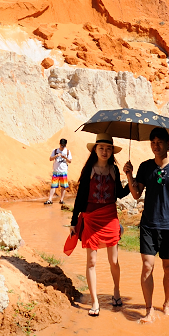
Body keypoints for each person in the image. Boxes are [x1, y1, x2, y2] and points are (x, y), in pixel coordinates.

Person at [123, 126, 169, 324]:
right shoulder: (145, 167)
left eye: (159, 142)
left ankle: (167, 304)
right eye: (153, 142)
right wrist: (129, 175)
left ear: (168, 144)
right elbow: (136, 194)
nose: (156, 145)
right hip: (148, 225)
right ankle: (148, 310)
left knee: (168, 268)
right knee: (147, 267)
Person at [70, 134, 129, 317]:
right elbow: (80, 197)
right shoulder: (89, 170)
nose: (105, 151)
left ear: (112, 151)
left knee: (114, 260)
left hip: (110, 216)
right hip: (91, 217)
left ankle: (117, 292)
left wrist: (131, 178)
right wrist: (73, 221)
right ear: (95, 150)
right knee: (92, 261)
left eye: (108, 148)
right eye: (101, 147)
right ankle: (95, 301)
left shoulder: (114, 170)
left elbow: (119, 194)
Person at [45, 138, 72, 205]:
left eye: (64, 146)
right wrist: (56, 155)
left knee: (63, 186)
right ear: (59, 144)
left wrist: (65, 157)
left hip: (63, 171)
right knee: (53, 186)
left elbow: (70, 161)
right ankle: (50, 199)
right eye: (61, 145)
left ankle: (61, 200)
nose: (62, 147)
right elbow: (50, 159)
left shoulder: (67, 151)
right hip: (56, 171)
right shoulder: (55, 151)